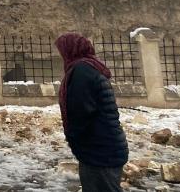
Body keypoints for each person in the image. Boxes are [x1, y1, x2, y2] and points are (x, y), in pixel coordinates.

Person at [55, 33, 128, 192]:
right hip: (106, 146)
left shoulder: (81, 71)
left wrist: (74, 138)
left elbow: (81, 111)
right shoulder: (90, 67)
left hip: (99, 151)